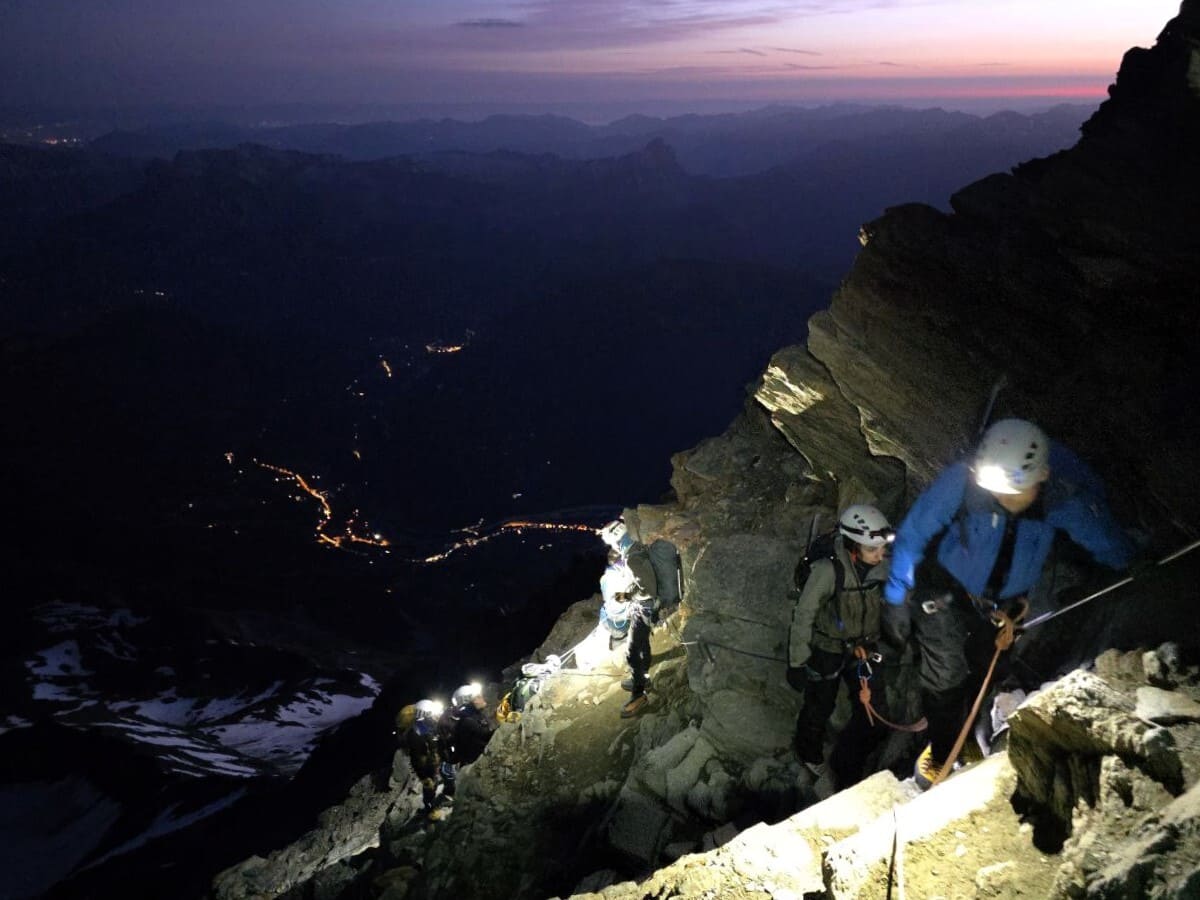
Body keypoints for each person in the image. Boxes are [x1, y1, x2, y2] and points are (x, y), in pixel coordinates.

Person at [883, 418, 1134, 789]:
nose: (1003, 500)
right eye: (996, 490)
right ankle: (941, 751)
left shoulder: (1060, 498)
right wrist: (896, 597)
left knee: (989, 668)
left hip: (1003, 606)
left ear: (1042, 475)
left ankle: (972, 730)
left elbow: (1103, 537)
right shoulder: (964, 483)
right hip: (946, 592)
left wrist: (1132, 562)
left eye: (1014, 493)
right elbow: (912, 535)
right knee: (945, 677)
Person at [788, 504, 895, 795]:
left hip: (864, 646)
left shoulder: (881, 566)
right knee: (820, 705)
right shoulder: (827, 571)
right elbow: (804, 614)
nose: (880, 555)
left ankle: (851, 762)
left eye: (882, 548)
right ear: (853, 546)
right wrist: (797, 662)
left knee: (873, 705)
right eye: (873, 549)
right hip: (829, 648)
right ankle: (808, 753)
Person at [599, 519, 658, 718]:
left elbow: (647, 590)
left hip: (643, 609)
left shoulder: (632, 557)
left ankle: (639, 695)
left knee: (633, 651)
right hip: (647, 608)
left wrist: (625, 596)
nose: (612, 547)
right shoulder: (635, 549)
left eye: (611, 543)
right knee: (642, 644)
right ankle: (644, 676)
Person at [396, 699, 452, 819]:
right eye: (431, 715)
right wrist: (424, 778)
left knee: (435, 782)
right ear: (424, 716)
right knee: (430, 788)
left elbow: (431, 742)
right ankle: (430, 810)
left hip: (431, 761)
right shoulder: (415, 736)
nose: (435, 717)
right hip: (426, 767)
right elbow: (416, 759)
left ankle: (433, 799)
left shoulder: (424, 728)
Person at [441, 682, 496, 768]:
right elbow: (485, 736)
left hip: (479, 764)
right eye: (477, 697)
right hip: (475, 768)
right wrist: (504, 727)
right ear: (469, 702)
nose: (482, 698)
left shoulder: (476, 716)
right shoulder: (467, 721)